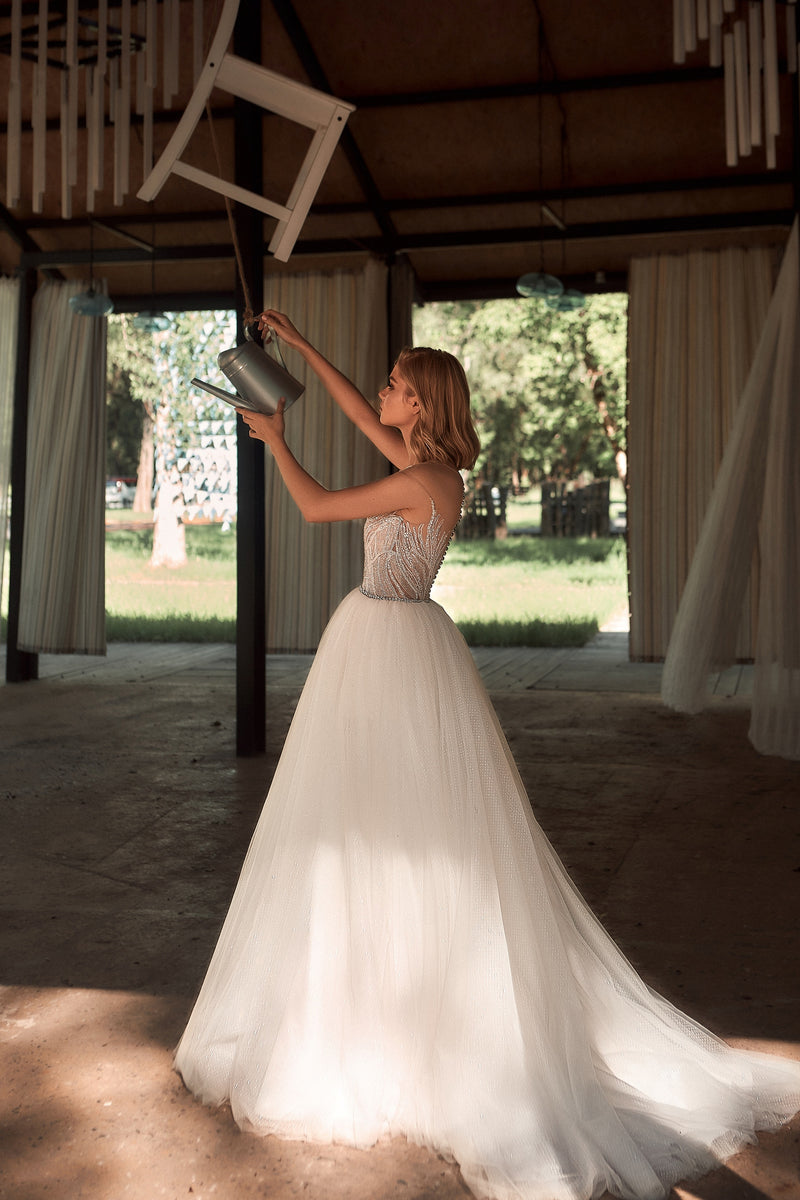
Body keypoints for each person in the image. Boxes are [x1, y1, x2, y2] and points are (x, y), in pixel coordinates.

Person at [175, 310, 800, 1200]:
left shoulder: (417, 481)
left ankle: (411, 1030)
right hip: (399, 648)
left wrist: (274, 438)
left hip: (386, 656)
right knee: (385, 826)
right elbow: (355, 413)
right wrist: (302, 347)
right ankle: (386, 1009)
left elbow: (314, 505)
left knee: (381, 826)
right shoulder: (433, 472)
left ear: (423, 404)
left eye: (396, 383)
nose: (383, 392)